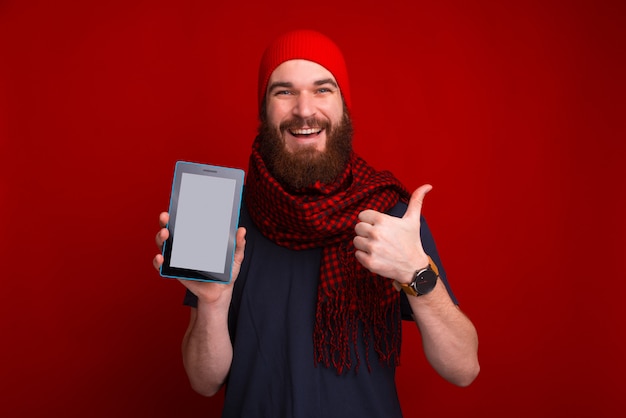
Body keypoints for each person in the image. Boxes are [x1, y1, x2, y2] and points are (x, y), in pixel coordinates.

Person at [153, 29, 479, 417]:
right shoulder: (222, 214)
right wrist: (212, 303)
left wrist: (417, 274)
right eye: (284, 91)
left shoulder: (391, 216)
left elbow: (463, 369)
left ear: (344, 107)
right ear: (263, 109)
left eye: (323, 89)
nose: (304, 109)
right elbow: (203, 382)